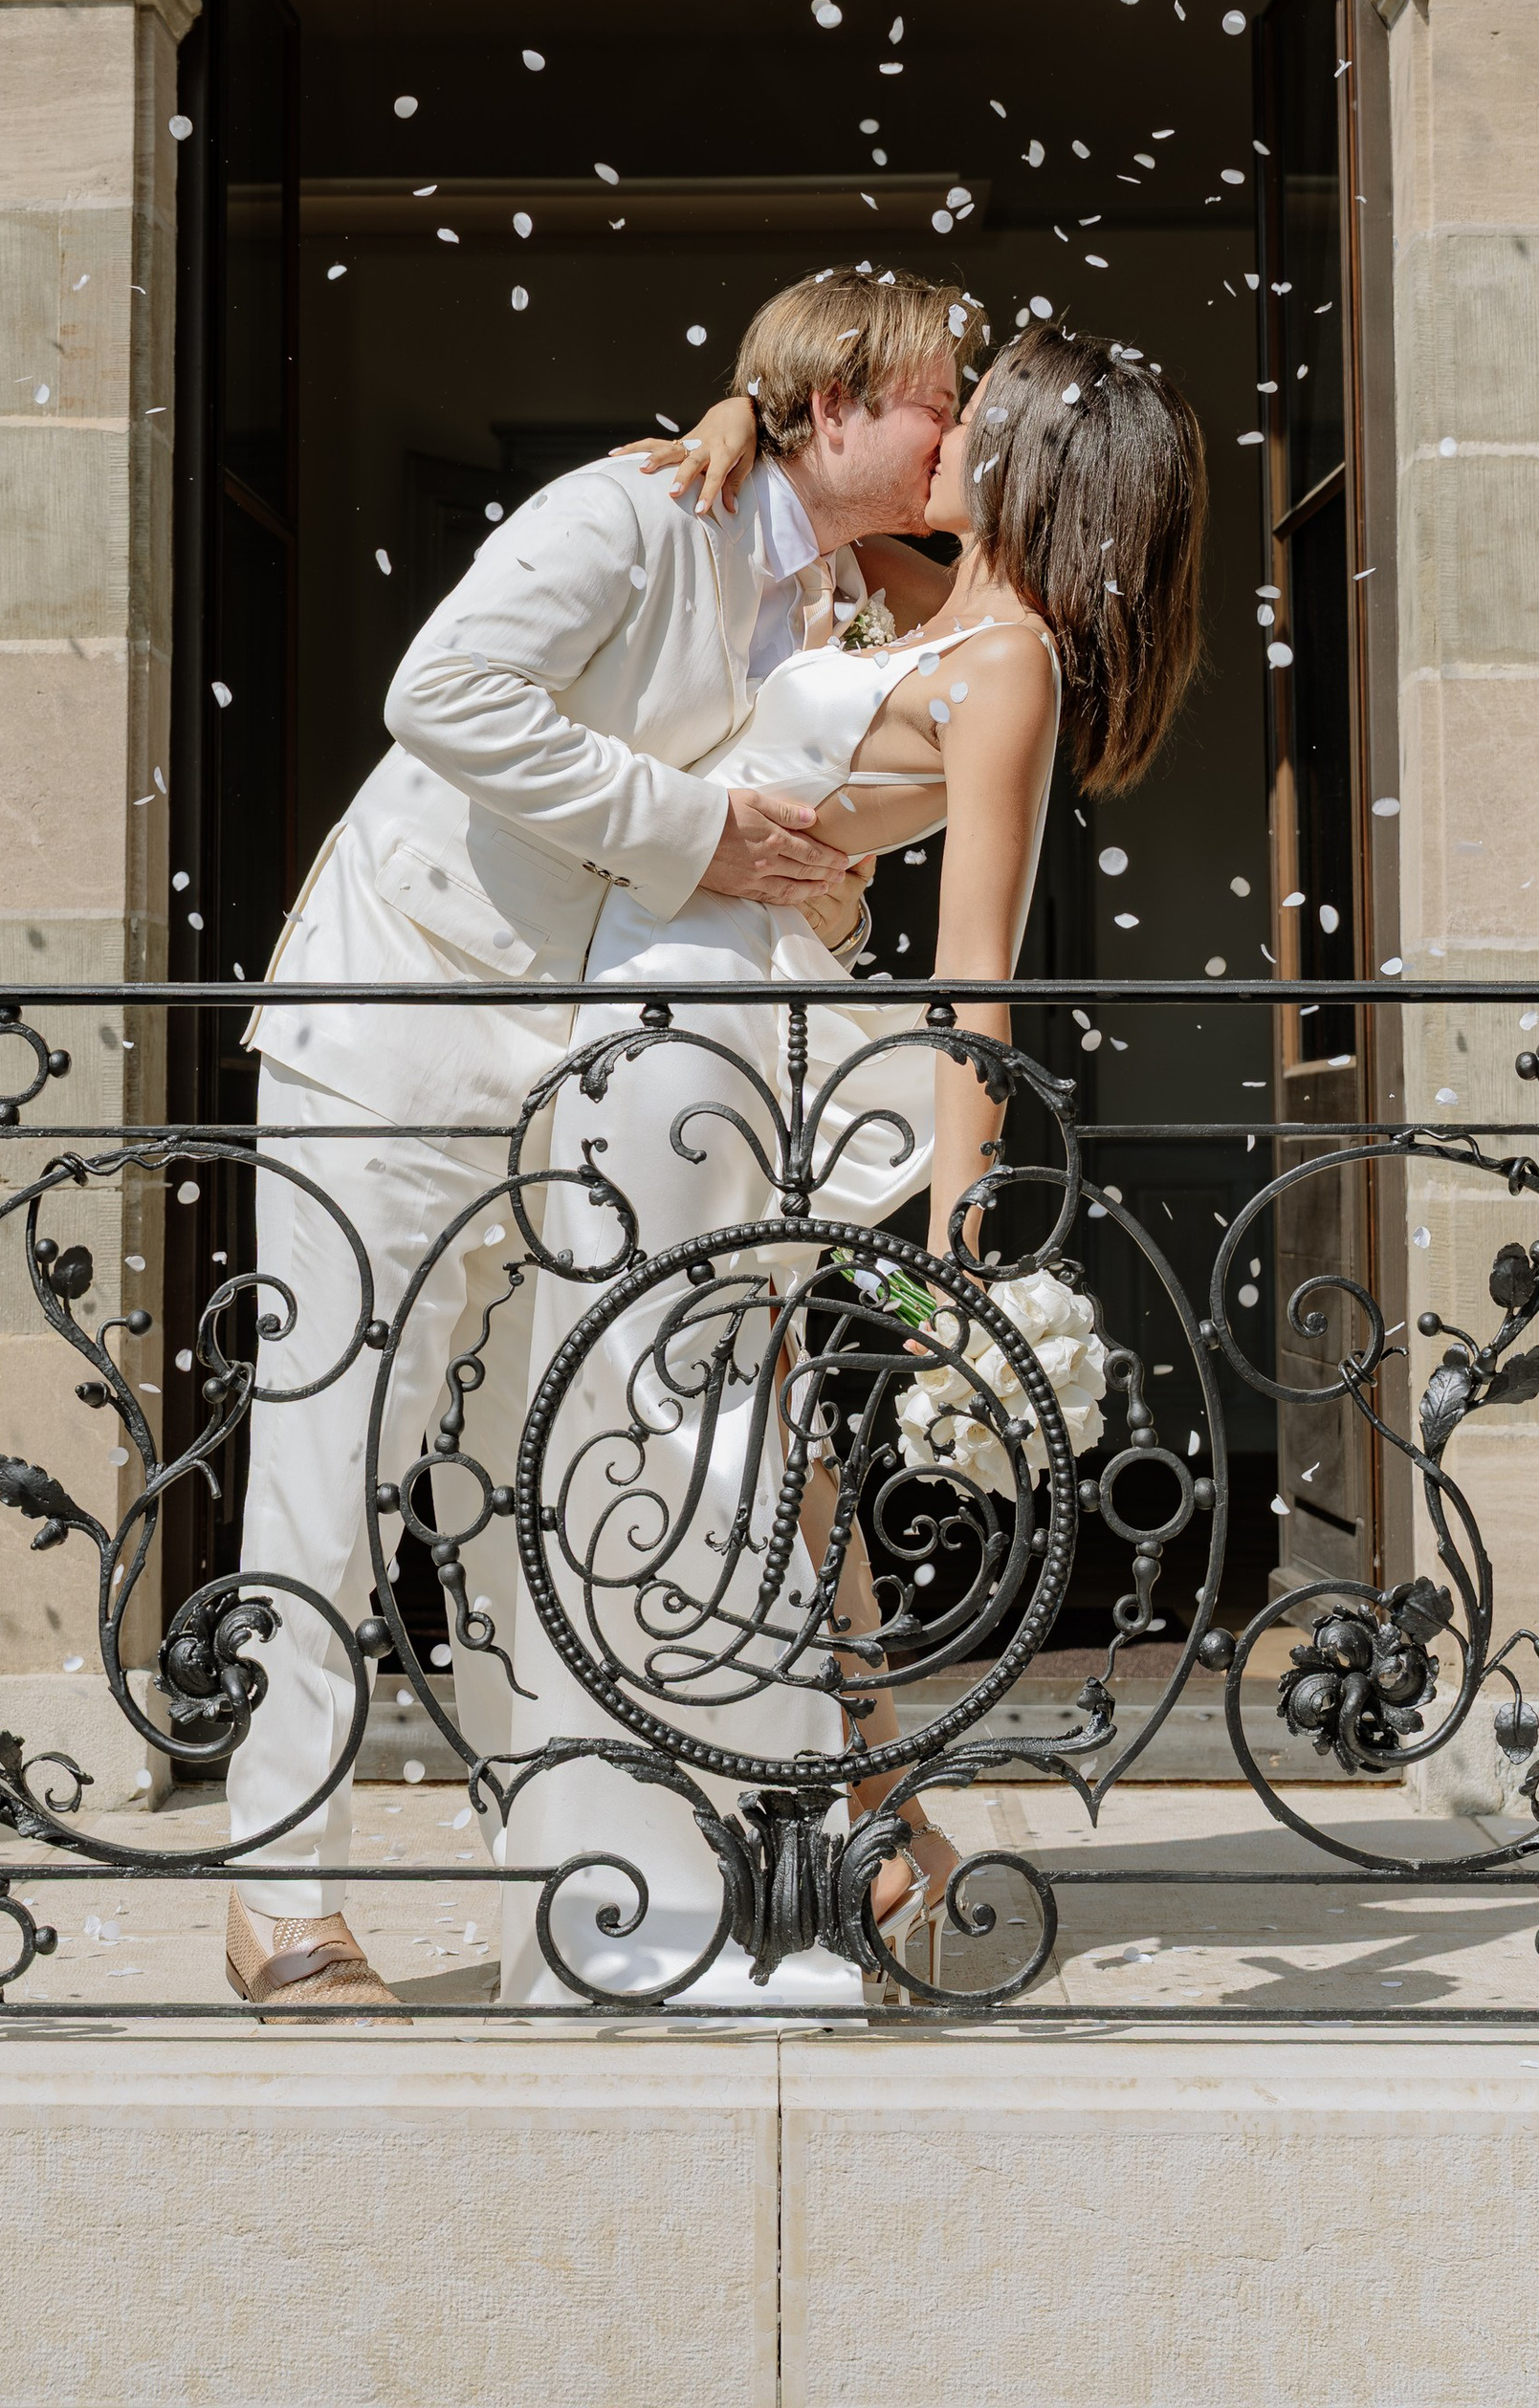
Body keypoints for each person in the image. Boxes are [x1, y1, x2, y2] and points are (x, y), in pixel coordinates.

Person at [221, 268, 979, 2005]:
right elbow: (447, 695)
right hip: (403, 1030)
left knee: (521, 1500)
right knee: (337, 1462)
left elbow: (782, 855)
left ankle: (565, 1893)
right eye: (941, 392)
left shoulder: (840, 598)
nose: (960, 426)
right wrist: (700, 829)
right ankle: (279, 1902)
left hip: (583, 1081)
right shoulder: (635, 510)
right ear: (841, 394)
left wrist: (803, 883)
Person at [495, 317, 1206, 2006]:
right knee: (706, 1423)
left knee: (699, 1425)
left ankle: (752, 1867)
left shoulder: (1011, 659)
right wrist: (740, 414)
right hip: (683, 997)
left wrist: (968, 1244)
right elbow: (796, 504)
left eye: (983, 415)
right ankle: (869, 1820)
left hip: (718, 1026)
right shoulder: (934, 597)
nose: (943, 430)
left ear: (1042, 466)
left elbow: (985, 975)